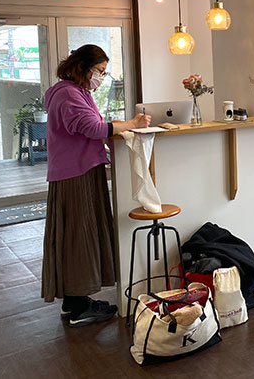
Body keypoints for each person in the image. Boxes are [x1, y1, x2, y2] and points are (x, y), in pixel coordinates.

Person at [42, 44, 151, 326]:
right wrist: (131, 123)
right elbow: (92, 128)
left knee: (78, 234)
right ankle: (78, 305)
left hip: (78, 169)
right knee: (80, 234)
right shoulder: (68, 94)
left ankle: (75, 300)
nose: (101, 77)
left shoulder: (73, 92)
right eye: (99, 71)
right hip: (75, 172)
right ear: (82, 68)